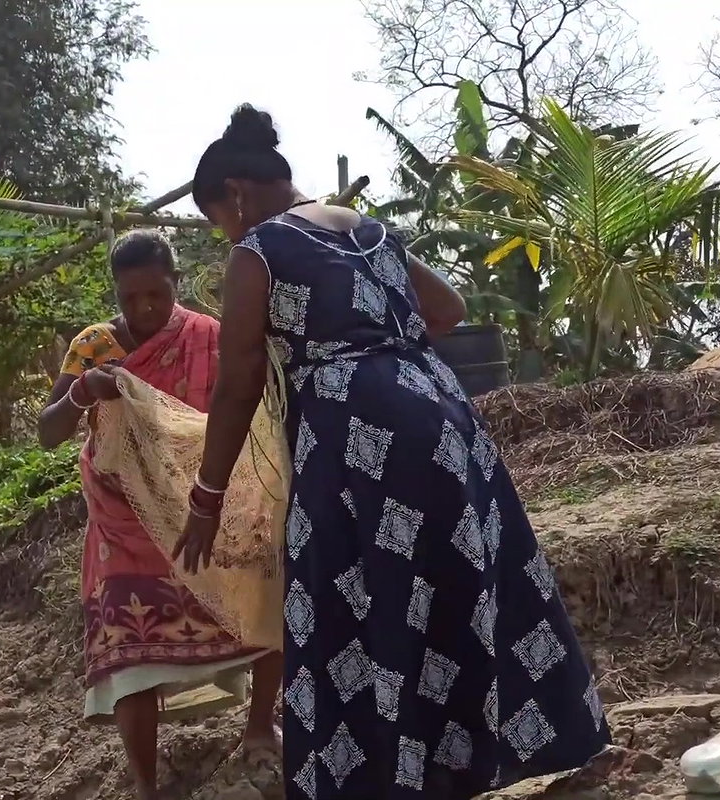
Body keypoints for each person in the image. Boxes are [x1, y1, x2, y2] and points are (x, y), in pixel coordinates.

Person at [172, 105, 610, 799]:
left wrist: (207, 497)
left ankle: (394, 778)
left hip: (356, 435)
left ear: (236, 193)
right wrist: (384, 344)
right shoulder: (370, 230)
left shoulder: (259, 250)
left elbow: (237, 383)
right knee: (452, 579)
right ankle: (490, 753)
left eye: (218, 218)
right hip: (444, 416)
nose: (226, 232)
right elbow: (449, 309)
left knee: (363, 595)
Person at [37, 229, 282, 800]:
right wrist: (82, 392)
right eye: (131, 298)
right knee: (130, 650)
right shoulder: (94, 346)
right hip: (124, 521)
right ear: (115, 294)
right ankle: (146, 785)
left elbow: (240, 410)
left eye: (156, 294)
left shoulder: (209, 337)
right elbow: (48, 432)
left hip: (202, 506)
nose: (145, 308)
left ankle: (258, 728)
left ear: (176, 282)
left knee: (264, 601)